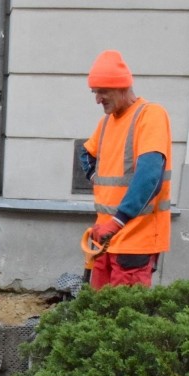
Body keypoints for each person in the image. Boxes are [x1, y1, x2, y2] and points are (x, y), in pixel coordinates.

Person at [78, 50, 172, 288]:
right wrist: (94, 176)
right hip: (105, 239)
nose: (97, 99)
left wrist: (117, 221)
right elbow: (86, 153)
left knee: (125, 316)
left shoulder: (150, 116)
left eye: (102, 91)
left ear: (121, 87)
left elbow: (150, 176)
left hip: (134, 239)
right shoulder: (107, 122)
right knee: (99, 313)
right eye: (94, 92)